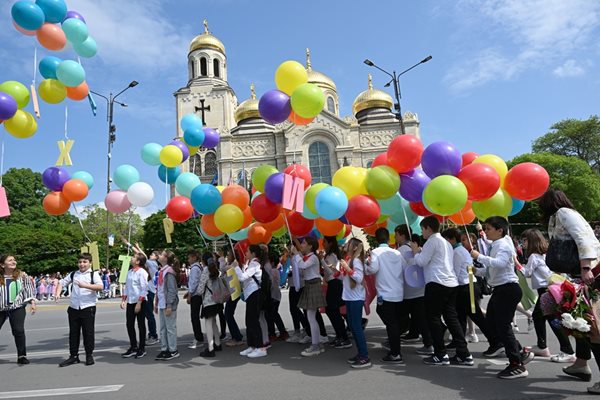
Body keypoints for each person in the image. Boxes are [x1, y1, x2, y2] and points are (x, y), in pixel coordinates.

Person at [538, 189, 600, 394]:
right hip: (579, 274)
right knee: (578, 322)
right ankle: (581, 363)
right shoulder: (559, 217)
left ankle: (583, 364)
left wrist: (585, 268)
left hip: (589, 273)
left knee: (591, 327)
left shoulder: (564, 213)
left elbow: (584, 240)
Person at [470, 217, 534, 379]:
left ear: (500, 230)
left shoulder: (504, 245)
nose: (486, 231)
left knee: (503, 327)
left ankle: (516, 364)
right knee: (491, 322)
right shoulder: (494, 245)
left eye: (489, 228)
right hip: (500, 289)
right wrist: (476, 271)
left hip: (508, 289)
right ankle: (519, 352)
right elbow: (492, 270)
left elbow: (499, 263)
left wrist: (479, 257)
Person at [410, 216, 472, 366]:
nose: (422, 232)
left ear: (428, 228)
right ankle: (464, 353)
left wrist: (416, 252)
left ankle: (440, 354)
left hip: (437, 283)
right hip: (451, 283)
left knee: (433, 318)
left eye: (423, 229)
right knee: (452, 318)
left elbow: (421, 261)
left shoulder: (432, 241)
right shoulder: (445, 242)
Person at [520, 228, 575, 360]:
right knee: (542, 317)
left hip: (545, 291)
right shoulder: (546, 254)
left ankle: (567, 350)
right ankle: (542, 346)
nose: (523, 244)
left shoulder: (533, 256)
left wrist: (517, 265)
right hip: (551, 290)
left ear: (531, 241)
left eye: (524, 240)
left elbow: (527, 272)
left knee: (551, 319)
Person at [441, 228, 491, 347]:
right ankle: (458, 341)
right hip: (467, 286)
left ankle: (496, 341)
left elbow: (456, 273)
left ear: (452, 239)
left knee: (476, 316)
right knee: (461, 316)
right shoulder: (459, 250)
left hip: (467, 287)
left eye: (445, 240)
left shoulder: (458, 252)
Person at [55, 253, 103, 367]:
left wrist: (86, 286)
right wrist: (57, 293)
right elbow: (61, 283)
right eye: (80, 262)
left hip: (88, 307)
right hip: (74, 307)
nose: (82, 264)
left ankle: (89, 355)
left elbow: (100, 286)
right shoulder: (73, 274)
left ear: (90, 263)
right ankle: (73, 356)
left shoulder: (93, 274)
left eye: (85, 262)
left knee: (88, 332)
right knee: (73, 333)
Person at [367, 228, 406, 363]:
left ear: (377, 239)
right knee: (394, 321)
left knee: (391, 323)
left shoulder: (375, 252)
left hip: (385, 292)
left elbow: (372, 269)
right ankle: (395, 346)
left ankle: (395, 352)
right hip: (398, 291)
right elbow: (404, 268)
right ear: (389, 239)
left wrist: (367, 264)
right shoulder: (396, 252)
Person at [395, 225, 433, 354]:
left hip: (408, 291)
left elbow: (398, 270)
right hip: (420, 288)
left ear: (402, 235)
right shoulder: (418, 248)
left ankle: (394, 340)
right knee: (421, 317)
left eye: (396, 234)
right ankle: (427, 342)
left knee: (402, 317)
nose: (395, 237)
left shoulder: (400, 251)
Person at [0, 254, 36, 365]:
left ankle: (21, 356)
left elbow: (28, 289)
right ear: (2, 264)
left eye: (14, 260)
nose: (13, 261)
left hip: (17, 307)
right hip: (1, 308)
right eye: (10, 260)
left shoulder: (22, 275)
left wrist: (32, 302)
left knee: (18, 330)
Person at [294, 236, 327, 357]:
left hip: (313, 285)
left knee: (311, 317)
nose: (301, 245)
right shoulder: (309, 257)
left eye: (303, 243)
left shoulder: (313, 257)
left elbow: (302, 266)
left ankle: (315, 345)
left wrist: (296, 255)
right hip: (310, 285)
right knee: (311, 317)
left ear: (310, 246)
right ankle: (317, 343)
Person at [340, 238, 370, 368]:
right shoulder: (349, 259)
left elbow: (358, 278)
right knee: (352, 326)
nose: (345, 244)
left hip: (356, 298)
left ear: (354, 247)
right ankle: (360, 354)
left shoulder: (356, 260)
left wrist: (347, 268)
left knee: (356, 327)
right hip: (350, 297)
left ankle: (364, 356)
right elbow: (345, 278)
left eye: (348, 243)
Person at [235, 244, 268, 358]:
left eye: (248, 251)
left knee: (254, 321)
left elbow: (243, 277)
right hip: (250, 295)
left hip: (255, 294)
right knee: (249, 321)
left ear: (253, 253)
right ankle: (252, 346)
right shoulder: (250, 264)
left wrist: (236, 267)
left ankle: (261, 347)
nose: (246, 253)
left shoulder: (255, 264)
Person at [321, 236, 351, 349]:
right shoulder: (328, 255)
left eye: (324, 242)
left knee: (333, 310)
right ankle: (340, 335)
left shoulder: (332, 256)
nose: (323, 243)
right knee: (331, 311)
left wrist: (322, 261)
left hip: (335, 284)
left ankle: (344, 337)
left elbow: (334, 272)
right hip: (331, 284)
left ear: (330, 243)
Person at [120, 253, 149, 359]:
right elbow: (127, 287)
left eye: (133, 257)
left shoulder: (142, 273)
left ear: (138, 261)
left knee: (141, 325)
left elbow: (144, 288)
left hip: (140, 302)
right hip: (131, 302)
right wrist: (124, 300)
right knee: (129, 324)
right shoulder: (130, 272)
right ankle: (133, 347)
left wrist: (139, 303)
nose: (131, 258)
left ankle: (142, 348)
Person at [154, 250, 180, 361]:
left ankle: (173, 350)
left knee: (170, 328)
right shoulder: (162, 270)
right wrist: (156, 303)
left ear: (165, 258)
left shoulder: (169, 271)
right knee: (163, 328)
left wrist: (169, 305)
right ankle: (165, 349)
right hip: (161, 303)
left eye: (161, 254)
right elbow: (159, 289)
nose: (158, 255)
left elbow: (172, 290)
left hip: (168, 304)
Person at [197, 258, 224, 357]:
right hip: (217, 301)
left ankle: (210, 348)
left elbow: (200, 290)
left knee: (208, 323)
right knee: (213, 323)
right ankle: (217, 343)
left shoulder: (205, 271)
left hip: (208, 302)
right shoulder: (217, 270)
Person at [222, 249, 244, 346]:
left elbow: (224, 268)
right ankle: (236, 336)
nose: (228, 256)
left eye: (229, 254)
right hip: (232, 292)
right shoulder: (232, 264)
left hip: (234, 293)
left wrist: (221, 258)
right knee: (228, 314)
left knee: (228, 315)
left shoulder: (234, 265)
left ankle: (237, 338)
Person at [266, 250, 289, 342]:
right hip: (276, 295)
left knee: (271, 315)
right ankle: (281, 332)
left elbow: (271, 284)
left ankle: (274, 333)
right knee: (273, 314)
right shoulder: (276, 271)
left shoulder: (273, 271)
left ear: (271, 262)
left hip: (273, 296)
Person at [185, 250, 204, 349]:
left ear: (194, 257)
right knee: (195, 317)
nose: (188, 260)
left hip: (196, 296)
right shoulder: (198, 267)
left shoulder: (194, 269)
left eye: (189, 258)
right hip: (197, 294)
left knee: (194, 317)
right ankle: (198, 337)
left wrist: (190, 294)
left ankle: (198, 338)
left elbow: (193, 283)